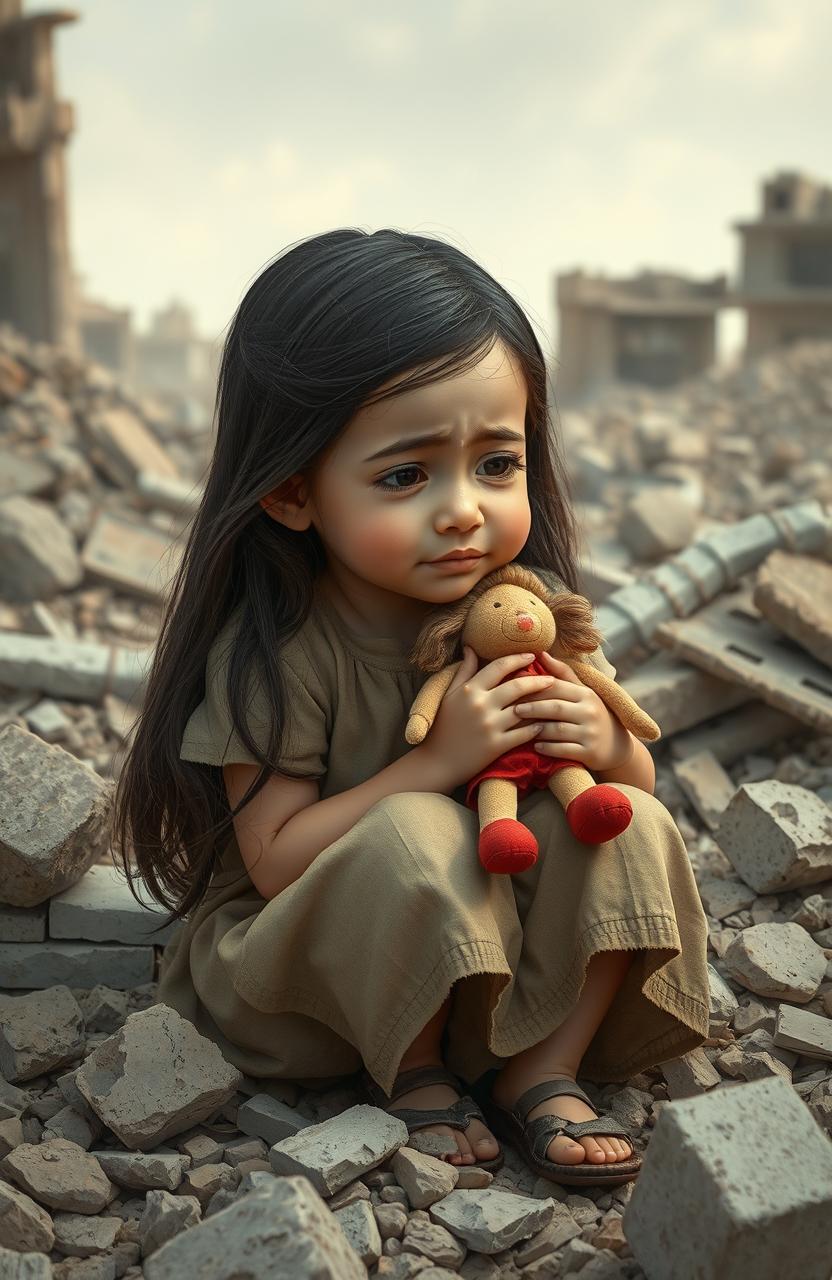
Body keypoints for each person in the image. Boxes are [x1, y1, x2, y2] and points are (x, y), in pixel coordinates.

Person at [112, 227, 710, 1185]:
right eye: (405, 476)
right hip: (314, 976)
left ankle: (540, 1067)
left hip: (492, 953)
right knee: (418, 830)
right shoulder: (280, 652)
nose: (463, 509)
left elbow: (628, 782)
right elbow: (273, 864)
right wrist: (432, 766)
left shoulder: (531, 616)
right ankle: (418, 1072)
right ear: (292, 492)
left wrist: (604, 742)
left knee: (628, 821)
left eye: (497, 465)